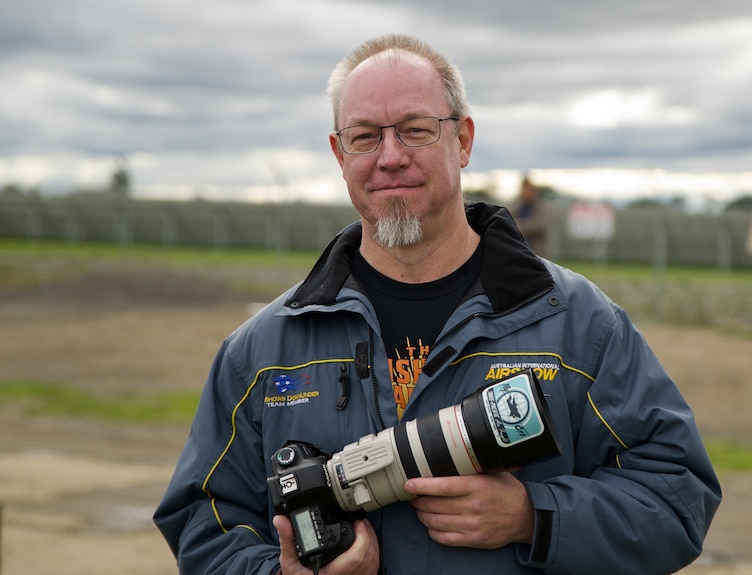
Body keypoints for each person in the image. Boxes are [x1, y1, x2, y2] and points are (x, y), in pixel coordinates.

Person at [154, 33, 721, 575]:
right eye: (365, 136)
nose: (391, 156)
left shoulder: (578, 326)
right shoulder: (261, 350)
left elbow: (677, 500)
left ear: (464, 140)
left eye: (415, 129)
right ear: (338, 152)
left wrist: (533, 517)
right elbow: (204, 522)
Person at [510, 176, 551, 257]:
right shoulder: (516, 205)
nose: (526, 192)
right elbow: (507, 219)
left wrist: (521, 226)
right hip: (517, 250)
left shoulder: (541, 207)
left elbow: (541, 225)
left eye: (528, 189)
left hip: (535, 251)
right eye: (524, 189)